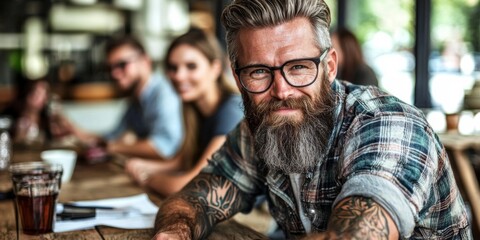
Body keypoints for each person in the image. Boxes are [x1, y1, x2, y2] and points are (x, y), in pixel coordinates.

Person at [153, 0, 471, 239]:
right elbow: (194, 199)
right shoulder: (260, 128)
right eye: (259, 72)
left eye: (299, 67)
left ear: (329, 67)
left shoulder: (387, 123)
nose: (282, 90)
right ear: (239, 79)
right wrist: (174, 232)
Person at [125, 28, 244, 196]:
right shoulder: (193, 109)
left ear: (215, 68)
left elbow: (191, 186)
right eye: (173, 68)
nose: (179, 76)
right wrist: (144, 166)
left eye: (191, 66)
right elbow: (181, 162)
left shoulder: (232, 111)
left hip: (255, 217)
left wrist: (149, 179)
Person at [51, 36, 184, 160]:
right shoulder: (136, 101)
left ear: (145, 61)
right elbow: (111, 137)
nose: (114, 73)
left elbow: (165, 147)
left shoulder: (164, 94)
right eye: (110, 68)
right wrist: (74, 130)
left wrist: (112, 147)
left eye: (122, 64)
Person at [2, 77, 52, 147]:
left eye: (44, 93)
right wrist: (18, 138)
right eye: (36, 92)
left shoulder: (47, 119)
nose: (40, 97)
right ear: (26, 93)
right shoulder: (11, 117)